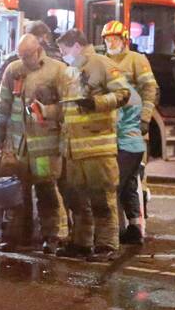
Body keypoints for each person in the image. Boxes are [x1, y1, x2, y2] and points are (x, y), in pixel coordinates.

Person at [55, 28, 132, 261]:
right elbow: (67, 108)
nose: (62, 55)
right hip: (75, 150)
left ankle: (107, 245)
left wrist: (96, 103)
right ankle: (82, 243)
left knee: (102, 198)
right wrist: (46, 112)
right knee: (77, 199)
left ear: (76, 46)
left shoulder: (102, 64)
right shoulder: (71, 71)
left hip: (97, 148)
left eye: (64, 50)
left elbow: (124, 94)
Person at [0, 34, 70, 254]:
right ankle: (16, 237)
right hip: (18, 147)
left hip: (45, 149)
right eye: (21, 56)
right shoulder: (13, 70)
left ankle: (51, 237)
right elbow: (2, 105)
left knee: (46, 192)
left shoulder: (58, 71)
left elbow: (67, 106)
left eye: (27, 55)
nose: (24, 60)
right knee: (17, 193)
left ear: (38, 50)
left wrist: (48, 112)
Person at [102, 20, 159, 244]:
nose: (110, 43)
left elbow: (149, 89)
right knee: (124, 182)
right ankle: (131, 227)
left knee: (132, 180)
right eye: (107, 39)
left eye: (114, 38)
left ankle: (135, 226)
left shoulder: (136, 60)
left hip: (132, 128)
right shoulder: (103, 62)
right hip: (113, 130)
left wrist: (145, 118)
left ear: (124, 39)